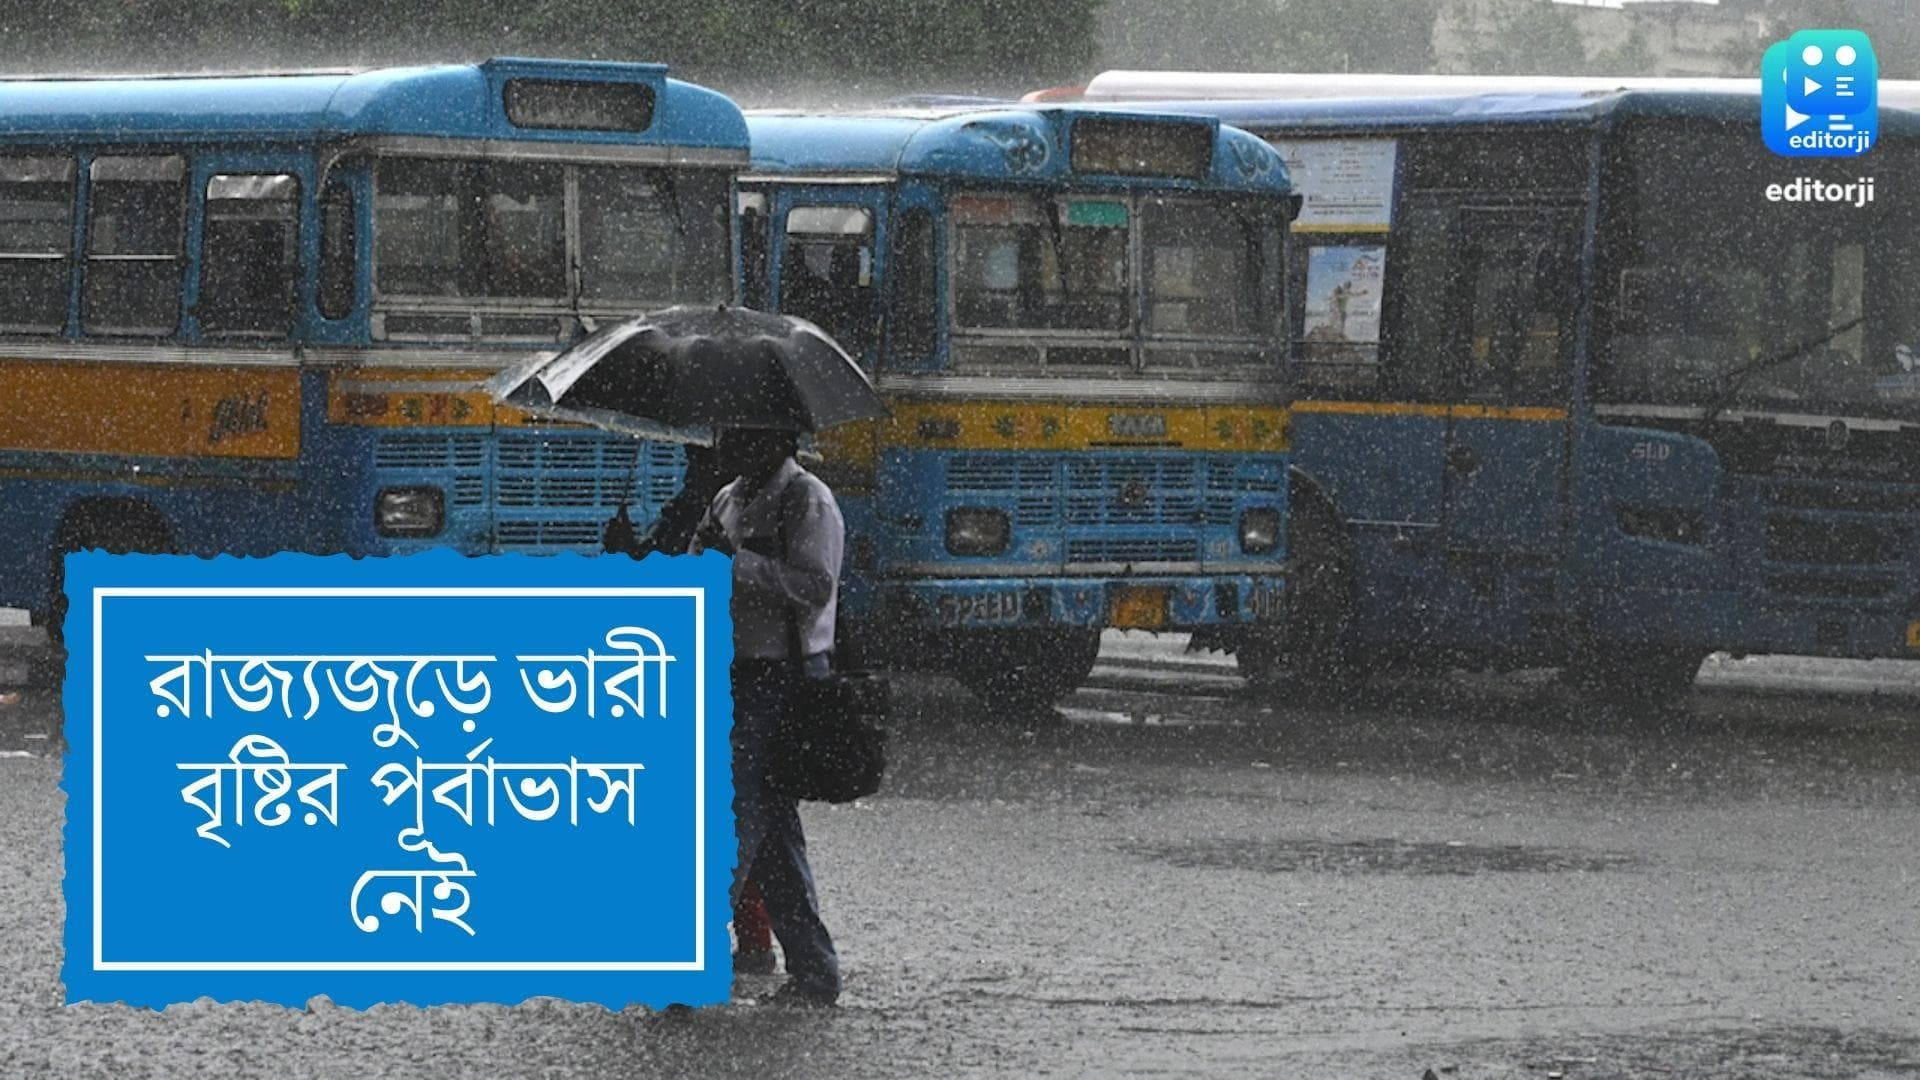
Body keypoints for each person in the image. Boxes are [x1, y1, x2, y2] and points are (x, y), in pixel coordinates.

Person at [601, 445, 780, 975]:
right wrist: (627, 553)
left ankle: (715, 939)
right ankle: (751, 940)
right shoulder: (708, 501)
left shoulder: (739, 505)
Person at [692, 426, 845, 1007]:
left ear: (775, 438)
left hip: (780, 679)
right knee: (773, 836)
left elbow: (815, 586)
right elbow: (700, 569)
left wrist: (737, 563)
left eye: (742, 434)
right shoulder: (726, 498)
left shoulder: (807, 499)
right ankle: (815, 973)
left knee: (733, 820)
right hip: (730, 673)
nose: (727, 444)